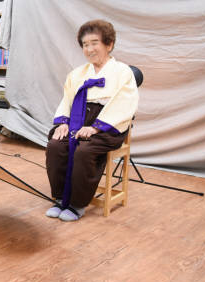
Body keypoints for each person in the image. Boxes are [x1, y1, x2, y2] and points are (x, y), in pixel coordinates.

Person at [45, 19, 139, 222]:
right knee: (55, 145)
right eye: (85, 44)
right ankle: (61, 198)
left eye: (95, 43)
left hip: (106, 125)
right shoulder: (76, 74)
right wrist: (63, 122)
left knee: (84, 150)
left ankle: (77, 204)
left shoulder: (123, 73)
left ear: (109, 44)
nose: (89, 49)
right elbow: (67, 100)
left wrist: (96, 128)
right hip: (76, 120)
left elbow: (124, 105)